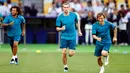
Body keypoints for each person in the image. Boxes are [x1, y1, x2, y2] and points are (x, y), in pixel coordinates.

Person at [56, 2, 82, 72]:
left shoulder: (74, 15)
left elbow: (77, 22)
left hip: (72, 36)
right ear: (62, 8)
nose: (66, 8)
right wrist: (61, 28)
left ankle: (72, 52)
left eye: (67, 7)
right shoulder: (60, 17)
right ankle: (65, 66)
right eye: (64, 7)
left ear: (69, 8)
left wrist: (79, 31)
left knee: (70, 54)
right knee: (64, 52)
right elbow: (57, 28)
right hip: (64, 36)